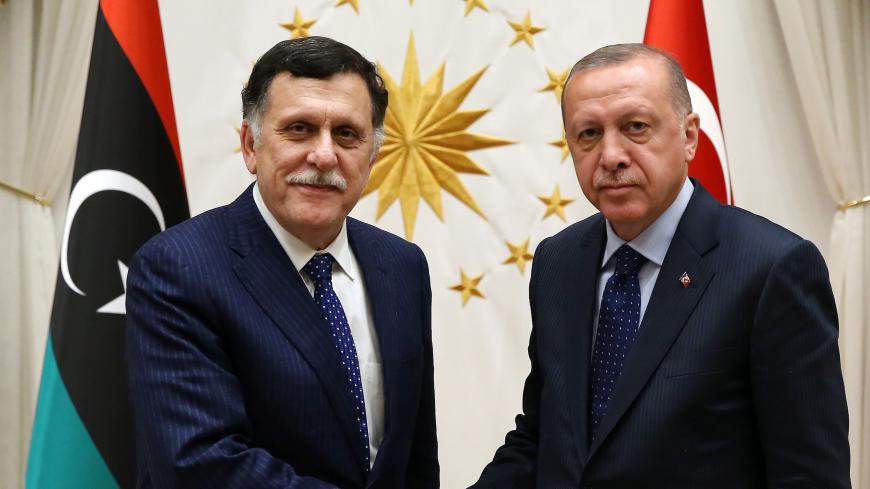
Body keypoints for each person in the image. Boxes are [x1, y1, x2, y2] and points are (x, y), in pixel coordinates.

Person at [471, 43, 849, 488]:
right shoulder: (558, 262)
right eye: (588, 134)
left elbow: (808, 475)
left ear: (688, 136)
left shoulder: (771, 269)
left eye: (635, 127)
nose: (610, 156)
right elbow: (542, 437)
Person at [126, 36, 438, 489]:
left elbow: (414, 459)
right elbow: (201, 465)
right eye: (299, 128)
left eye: (347, 134)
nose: (324, 155)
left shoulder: (403, 266)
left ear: (372, 155)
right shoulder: (178, 267)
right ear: (251, 145)